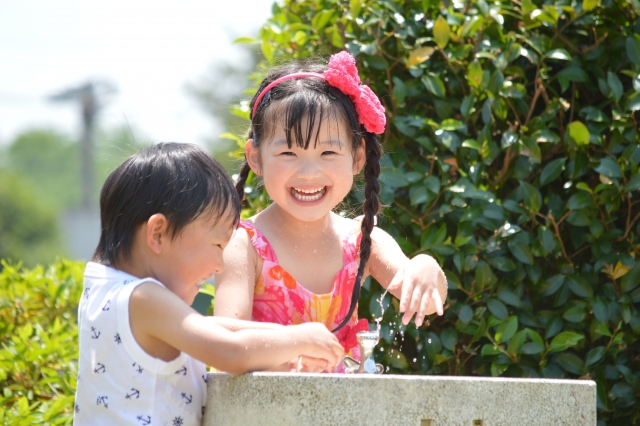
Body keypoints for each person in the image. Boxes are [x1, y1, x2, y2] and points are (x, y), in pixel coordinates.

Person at [73, 143, 344, 425]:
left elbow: (212, 328)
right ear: (158, 233)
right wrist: (299, 339)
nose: (220, 265)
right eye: (217, 244)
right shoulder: (143, 298)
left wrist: (293, 344)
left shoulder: (108, 290)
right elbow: (231, 350)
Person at [213, 51, 448, 373]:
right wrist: (295, 345)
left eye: (328, 152)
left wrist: (426, 266)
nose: (309, 172)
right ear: (255, 157)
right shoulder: (244, 244)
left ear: (357, 157)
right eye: (287, 152)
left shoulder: (364, 240)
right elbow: (225, 340)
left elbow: (427, 295)